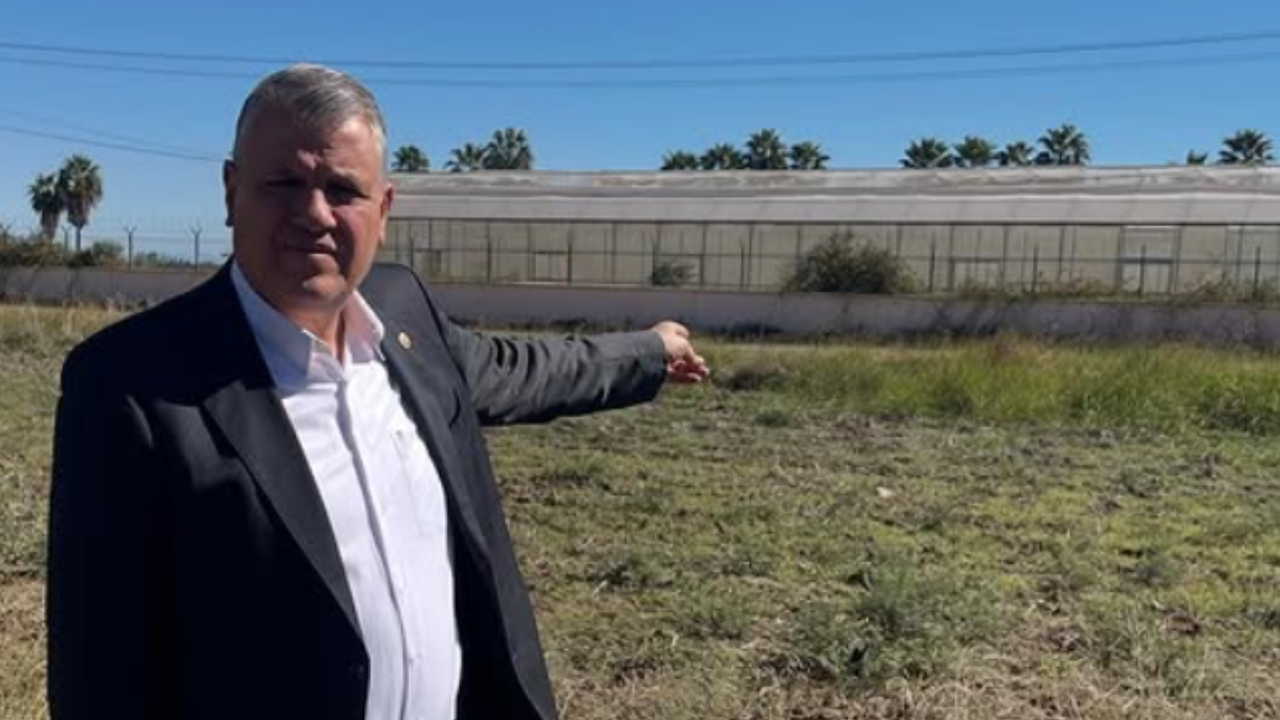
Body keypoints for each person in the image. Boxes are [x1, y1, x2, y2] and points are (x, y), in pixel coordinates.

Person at [46, 63, 708, 720]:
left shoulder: (404, 314)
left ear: (383, 209)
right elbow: (99, 674)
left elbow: (522, 369)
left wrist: (648, 350)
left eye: (342, 189)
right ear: (230, 191)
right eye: (284, 183)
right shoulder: (130, 383)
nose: (314, 213)